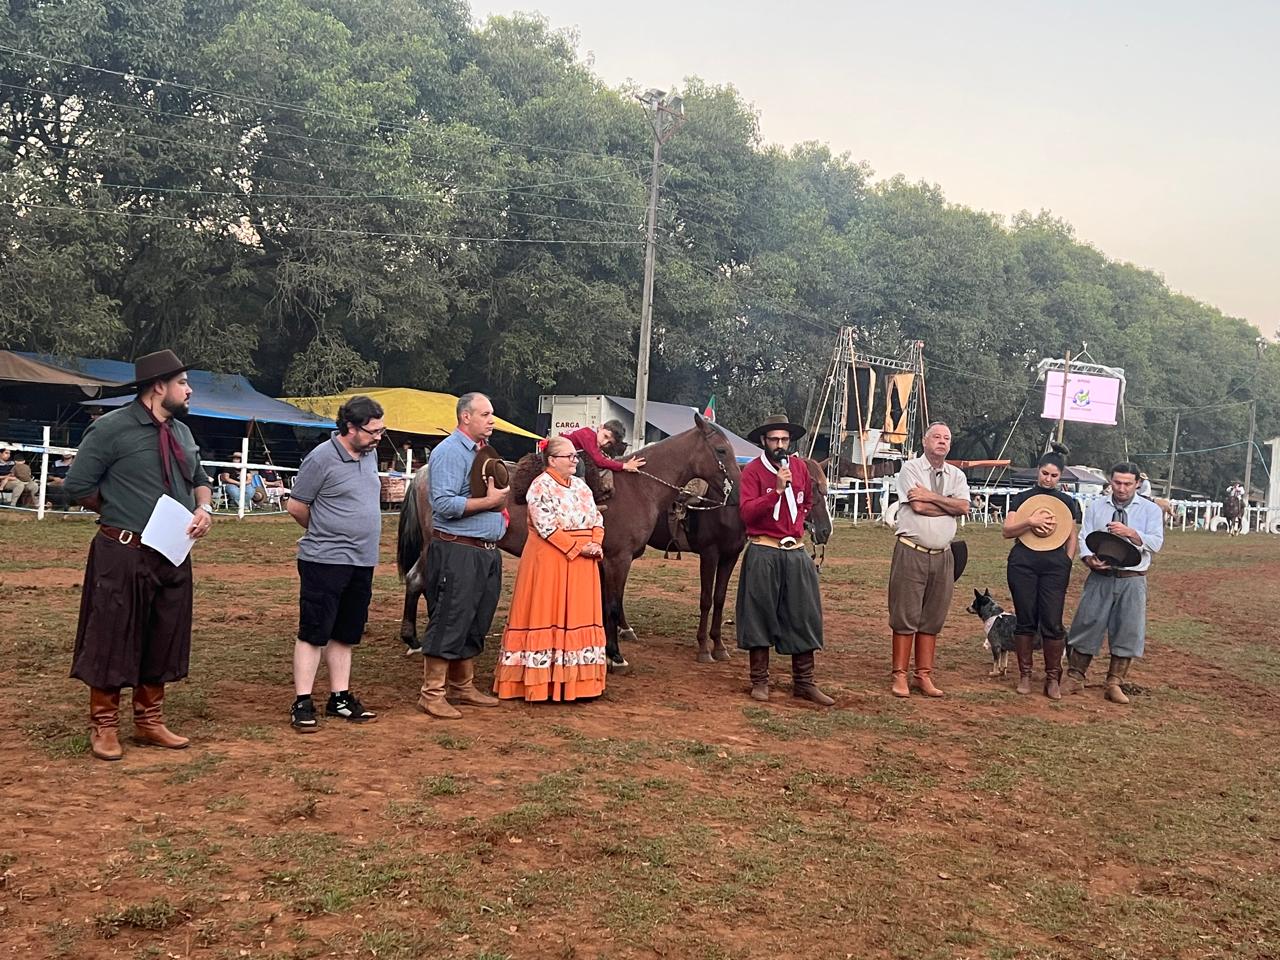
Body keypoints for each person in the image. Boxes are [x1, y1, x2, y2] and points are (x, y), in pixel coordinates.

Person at [61, 350, 215, 761]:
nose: (189, 389)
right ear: (158, 386)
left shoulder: (181, 432)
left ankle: (149, 720)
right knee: (113, 631)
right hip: (124, 549)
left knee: (164, 632)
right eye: (183, 382)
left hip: (174, 551)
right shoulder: (112, 429)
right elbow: (77, 485)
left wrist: (205, 508)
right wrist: (118, 512)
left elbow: (200, 479)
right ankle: (105, 724)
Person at [286, 396, 385, 731]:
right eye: (372, 431)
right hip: (324, 560)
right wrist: (325, 532)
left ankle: (339, 698)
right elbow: (297, 505)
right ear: (350, 427)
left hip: (362, 560)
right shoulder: (321, 459)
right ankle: (302, 702)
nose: (378, 437)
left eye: (380, 430)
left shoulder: (370, 456)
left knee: (346, 633)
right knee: (314, 632)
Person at [493, 436, 607, 702]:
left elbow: (596, 517)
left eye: (575, 456)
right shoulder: (540, 486)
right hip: (551, 562)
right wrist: (579, 548)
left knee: (578, 617)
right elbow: (546, 527)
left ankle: (580, 683)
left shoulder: (581, 486)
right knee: (547, 614)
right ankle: (541, 682)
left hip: (582, 564)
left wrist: (596, 542)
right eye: (569, 456)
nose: (574, 460)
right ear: (552, 460)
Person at [419, 392, 509, 719]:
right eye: (485, 414)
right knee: (450, 616)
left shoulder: (480, 452)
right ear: (465, 417)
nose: (492, 420)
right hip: (458, 548)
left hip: (484, 551)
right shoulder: (449, 453)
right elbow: (442, 505)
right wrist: (491, 503)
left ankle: (462, 685)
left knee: (476, 617)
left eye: (492, 414)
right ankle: (432, 693)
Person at [736, 414, 833, 706]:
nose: (780, 445)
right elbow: (747, 513)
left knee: (804, 613)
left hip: (794, 551)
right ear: (764, 442)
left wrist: (799, 518)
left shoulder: (800, 468)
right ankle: (760, 681)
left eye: (785, 440)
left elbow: (805, 500)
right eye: (775, 440)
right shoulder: (753, 472)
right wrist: (775, 492)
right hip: (763, 549)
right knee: (759, 613)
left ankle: (804, 682)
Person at [1065, 462, 1164, 704]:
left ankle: (1114, 682)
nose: (1121, 488)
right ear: (1110, 481)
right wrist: (1088, 558)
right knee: (1087, 622)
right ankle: (1075, 676)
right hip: (1100, 577)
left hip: (1132, 579)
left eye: (1127, 484)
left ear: (1138, 483)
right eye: (1117, 483)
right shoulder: (1097, 506)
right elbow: (1085, 536)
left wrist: (1131, 533)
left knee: (1128, 629)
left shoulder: (1151, 510)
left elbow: (1156, 543)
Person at [888, 422, 971, 698]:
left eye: (947, 438)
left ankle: (923, 674)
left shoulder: (956, 475)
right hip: (912, 551)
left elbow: (964, 507)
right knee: (905, 614)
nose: (942, 442)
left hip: (943, 556)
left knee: (933, 616)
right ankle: (899, 675)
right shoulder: (910, 469)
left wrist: (931, 497)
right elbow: (917, 506)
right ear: (925, 441)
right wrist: (947, 505)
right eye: (936, 436)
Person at [1000, 445, 1081, 699]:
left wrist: (1067, 561)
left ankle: (1052, 677)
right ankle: (1024, 674)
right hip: (1023, 562)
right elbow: (1007, 530)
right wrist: (1030, 522)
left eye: (1054, 475)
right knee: (1025, 618)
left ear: (1060, 477)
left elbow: (1071, 535)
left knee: (1052, 620)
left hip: (1055, 566)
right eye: (1045, 473)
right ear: (1038, 471)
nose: (1048, 479)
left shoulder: (1068, 502)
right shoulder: (1022, 498)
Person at [559, 420, 645, 503]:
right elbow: (599, 460)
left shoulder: (591, 435)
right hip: (558, 454)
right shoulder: (588, 435)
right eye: (605, 436)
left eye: (609, 442)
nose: (604, 442)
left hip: (565, 455)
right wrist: (624, 466)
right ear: (600, 427)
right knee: (581, 464)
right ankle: (584, 499)